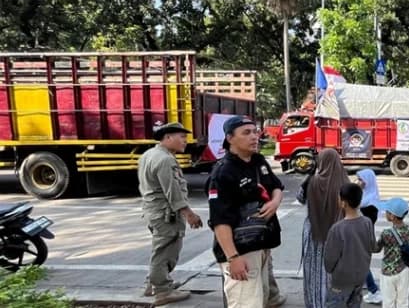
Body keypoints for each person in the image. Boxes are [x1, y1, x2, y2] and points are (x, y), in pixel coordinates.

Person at [208, 116, 285, 308]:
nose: (254, 137)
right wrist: (233, 258)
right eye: (246, 133)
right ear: (230, 138)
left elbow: (276, 186)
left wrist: (275, 202)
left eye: (255, 131)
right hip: (239, 250)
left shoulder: (258, 161)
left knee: (261, 299)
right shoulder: (223, 172)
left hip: (261, 243)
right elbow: (220, 221)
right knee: (246, 303)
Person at [138, 121, 203, 306]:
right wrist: (189, 214)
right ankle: (162, 291)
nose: (185, 141)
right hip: (166, 214)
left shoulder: (149, 154)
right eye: (182, 137)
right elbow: (172, 191)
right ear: (168, 138)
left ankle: (154, 284)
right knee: (165, 252)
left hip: (153, 212)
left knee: (160, 249)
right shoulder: (165, 159)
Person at [297, 148, 350, 308]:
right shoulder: (345, 183)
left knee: (315, 273)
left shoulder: (311, 181)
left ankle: (315, 303)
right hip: (339, 237)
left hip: (315, 235)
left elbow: (300, 198)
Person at [324, 183, 376, 308]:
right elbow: (372, 246)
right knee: (354, 303)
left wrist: (330, 270)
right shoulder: (367, 222)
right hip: (360, 276)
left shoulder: (337, 229)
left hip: (341, 279)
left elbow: (330, 259)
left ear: (343, 203)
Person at [374, 197, 409, 308]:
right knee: (402, 301)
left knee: (388, 302)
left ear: (392, 216)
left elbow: (376, 249)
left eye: (387, 212)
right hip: (404, 270)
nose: (385, 214)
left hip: (387, 272)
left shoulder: (386, 233)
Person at [356, 169, 383, 304]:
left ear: (368, 181)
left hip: (363, 236)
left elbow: (366, 219)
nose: (358, 182)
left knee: (361, 264)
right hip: (360, 234)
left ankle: (374, 290)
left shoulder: (370, 201)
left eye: (361, 180)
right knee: (361, 264)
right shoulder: (365, 196)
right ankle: (368, 285)